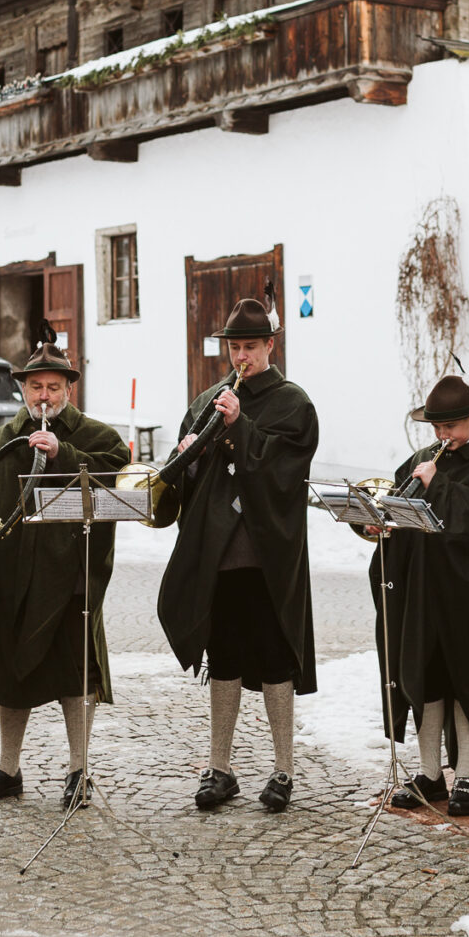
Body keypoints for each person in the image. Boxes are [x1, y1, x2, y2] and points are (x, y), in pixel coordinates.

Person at [0, 327, 130, 810]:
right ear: (23, 390)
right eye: (35, 387)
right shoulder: (4, 438)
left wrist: (62, 453)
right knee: (12, 674)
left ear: (69, 390)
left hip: (70, 578)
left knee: (75, 674)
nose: (43, 396)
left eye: (53, 387)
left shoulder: (99, 436)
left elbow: (113, 473)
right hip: (12, 576)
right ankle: (8, 769)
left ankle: (79, 770)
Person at [157, 298, 319, 813]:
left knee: (275, 658)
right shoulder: (210, 397)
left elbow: (284, 472)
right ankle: (220, 768)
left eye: (251, 345)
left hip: (269, 557)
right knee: (222, 658)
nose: (241, 355)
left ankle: (283, 770)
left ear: (271, 345)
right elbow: (182, 477)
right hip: (219, 555)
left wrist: (241, 426)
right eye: (234, 346)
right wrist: (188, 453)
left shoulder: (294, 403)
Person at [378, 374, 469, 817]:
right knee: (427, 678)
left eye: (452, 428)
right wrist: (381, 522)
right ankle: (429, 775)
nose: (443, 437)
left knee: (468, 682)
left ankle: (465, 775)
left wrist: (437, 484)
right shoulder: (421, 459)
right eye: (437, 428)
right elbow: (403, 512)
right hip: (425, 591)